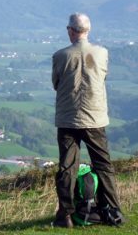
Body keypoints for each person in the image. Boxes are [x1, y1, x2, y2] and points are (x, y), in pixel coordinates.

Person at [51, 13, 123, 228]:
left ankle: (65, 215)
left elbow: (56, 83)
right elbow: (102, 78)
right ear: (88, 30)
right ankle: (112, 211)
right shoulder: (102, 53)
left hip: (68, 119)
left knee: (67, 168)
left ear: (70, 30)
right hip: (95, 117)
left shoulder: (60, 56)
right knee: (103, 165)